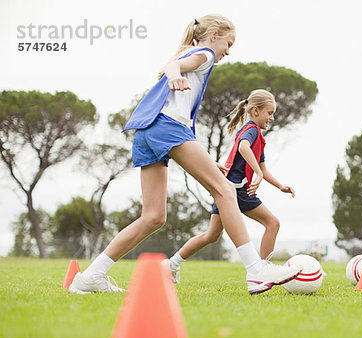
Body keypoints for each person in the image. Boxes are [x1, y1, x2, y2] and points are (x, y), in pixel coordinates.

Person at [69, 14, 302, 296]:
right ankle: (256, 271)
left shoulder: (193, 53)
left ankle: (90, 276)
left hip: (148, 131)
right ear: (214, 34)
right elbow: (172, 66)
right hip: (167, 128)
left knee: (154, 216)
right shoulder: (203, 53)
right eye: (228, 43)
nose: (228, 51)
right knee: (225, 190)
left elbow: (177, 98)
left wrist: (203, 157)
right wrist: (175, 74)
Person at [163, 89, 295, 284]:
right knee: (272, 223)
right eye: (270, 113)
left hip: (224, 188)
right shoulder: (251, 130)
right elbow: (243, 147)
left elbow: (263, 169)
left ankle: (170, 265)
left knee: (211, 235)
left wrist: (280, 186)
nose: (272, 118)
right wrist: (256, 173)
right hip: (236, 190)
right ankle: (263, 271)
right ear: (256, 111)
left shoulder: (258, 136)